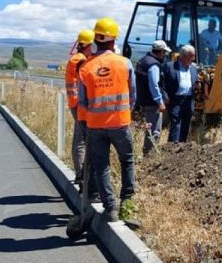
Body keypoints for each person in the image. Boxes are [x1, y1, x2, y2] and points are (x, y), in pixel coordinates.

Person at [78, 17, 137, 222]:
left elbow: (83, 102)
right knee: (127, 160)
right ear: (113, 41)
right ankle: (128, 204)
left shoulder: (86, 68)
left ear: (96, 39)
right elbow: (133, 95)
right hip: (120, 123)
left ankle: (110, 208)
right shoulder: (125, 63)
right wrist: (125, 112)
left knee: (101, 166)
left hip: (95, 126)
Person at [65, 29, 94, 188]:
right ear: (88, 45)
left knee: (80, 139)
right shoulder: (80, 59)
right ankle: (81, 175)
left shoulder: (79, 58)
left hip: (76, 102)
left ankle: (80, 174)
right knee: (81, 141)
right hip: (79, 104)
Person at [135, 40, 171, 155]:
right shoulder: (153, 65)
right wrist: (159, 101)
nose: (165, 55)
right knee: (154, 130)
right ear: (160, 52)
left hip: (142, 99)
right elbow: (154, 84)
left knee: (149, 128)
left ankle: (147, 152)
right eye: (164, 52)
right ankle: (150, 155)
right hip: (151, 102)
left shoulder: (142, 61)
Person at [162, 44, 198, 143]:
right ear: (184, 56)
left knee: (186, 123)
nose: (193, 59)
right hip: (175, 100)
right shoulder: (170, 66)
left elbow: (195, 82)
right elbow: (162, 83)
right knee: (176, 123)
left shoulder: (193, 68)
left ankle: (182, 148)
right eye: (192, 56)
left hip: (189, 100)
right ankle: (172, 146)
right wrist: (164, 96)